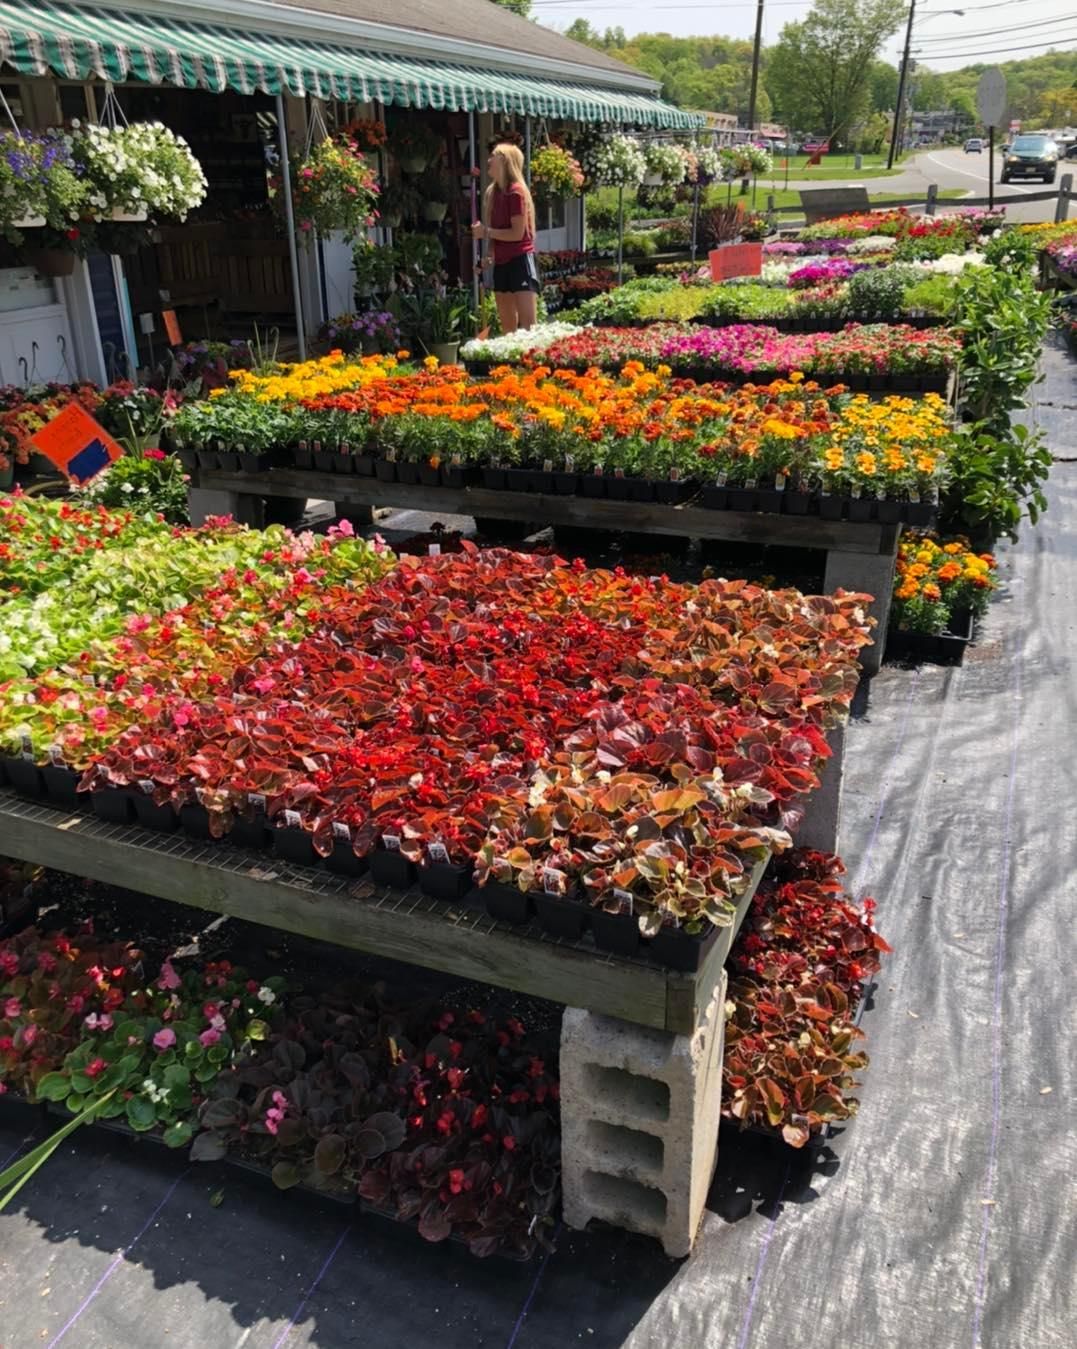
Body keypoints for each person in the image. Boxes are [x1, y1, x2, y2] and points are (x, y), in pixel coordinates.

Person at [470, 142, 539, 334]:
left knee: (528, 327)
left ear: (505, 161)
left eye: (494, 156)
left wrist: (486, 232)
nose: (489, 160)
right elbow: (497, 231)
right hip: (501, 263)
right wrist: (488, 257)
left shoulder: (516, 192)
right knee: (508, 328)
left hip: (520, 261)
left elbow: (517, 233)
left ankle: (533, 363)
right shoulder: (494, 193)